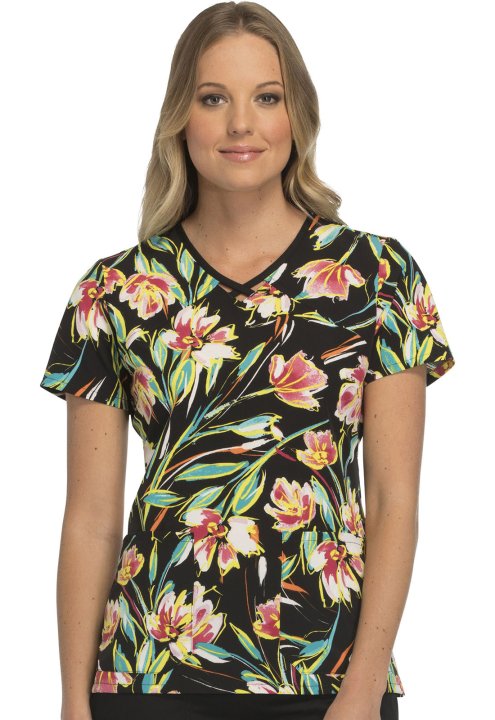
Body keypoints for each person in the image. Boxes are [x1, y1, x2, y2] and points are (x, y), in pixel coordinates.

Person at [39, 3, 456, 720]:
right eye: (213, 99)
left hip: (325, 678)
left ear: (298, 115)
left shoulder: (375, 276)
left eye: (266, 97)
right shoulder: (114, 291)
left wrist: (360, 692)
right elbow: (90, 520)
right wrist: (74, 704)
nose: (241, 124)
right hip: (148, 673)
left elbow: (394, 503)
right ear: (180, 118)